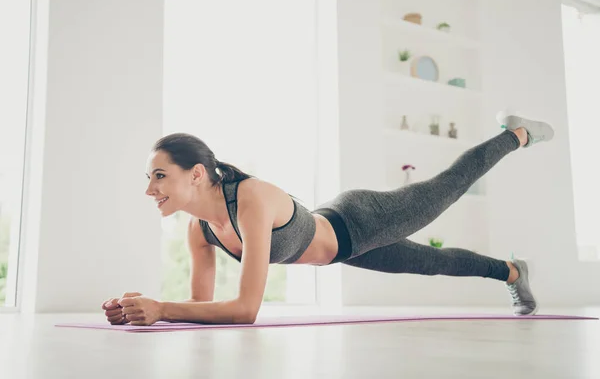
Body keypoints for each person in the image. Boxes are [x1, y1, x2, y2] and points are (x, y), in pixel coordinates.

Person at [101, 111, 554, 326]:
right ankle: (514, 271)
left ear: (196, 174)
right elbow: (200, 308)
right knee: (436, 262)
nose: (149, 189)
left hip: (361, 221)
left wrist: (163, 309)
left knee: (450, 186)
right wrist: (143, 309)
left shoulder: (251, 200)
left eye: (159, 176)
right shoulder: (198, 231)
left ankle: (517, 134)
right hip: (344, 252)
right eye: (148, 177)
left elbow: (244, 310)